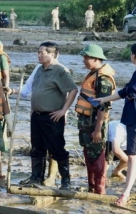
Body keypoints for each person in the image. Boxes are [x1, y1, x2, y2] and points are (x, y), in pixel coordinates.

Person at [95, 42, 136, 206]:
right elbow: (124, 91)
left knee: (133, 156)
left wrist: (128, 95)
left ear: (134, 55)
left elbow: (132, 91)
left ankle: (126, 194)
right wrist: (105, 99)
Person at [20, 41, 78, 190]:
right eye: (38, 52)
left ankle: (65, 181)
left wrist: (63, 111)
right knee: (37, 148)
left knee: (57, 149)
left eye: (42, 53)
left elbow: (72, 90)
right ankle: (36, 178)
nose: (38, 55)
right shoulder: (39, 70)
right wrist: (34, 107)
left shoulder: (59, 71)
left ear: (52, 54)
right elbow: (35, 90)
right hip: (37, 116)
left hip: (52, 117)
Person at [76, 44, 116, 194]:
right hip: (86, 122)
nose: (84, 60)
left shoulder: (103, 79)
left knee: (97, 156)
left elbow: (103, 106)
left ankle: (100, 190)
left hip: (94, 124)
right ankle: (92, 187)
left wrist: (98, 129)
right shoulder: (94, 73)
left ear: (96, 59)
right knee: (88, 155)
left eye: (86, 57)